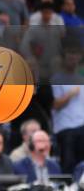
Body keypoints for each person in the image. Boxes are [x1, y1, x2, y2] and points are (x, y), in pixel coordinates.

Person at [50, 46, 84, 174]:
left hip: (82, 127)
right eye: (70, 55)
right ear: (64, 58)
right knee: (68, 166)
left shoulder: (81, 79)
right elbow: (54, 105)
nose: (73, 59)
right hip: (65, 129)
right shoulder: (56, 79)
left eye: (75, 55)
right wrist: (70, 94)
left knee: (82, 165)